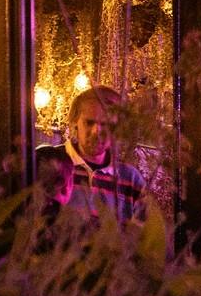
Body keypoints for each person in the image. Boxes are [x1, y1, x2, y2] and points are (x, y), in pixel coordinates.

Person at [51, 86, 144, 221]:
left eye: (106, 124)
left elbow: (147, 238)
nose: (96, 131)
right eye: (89, 122)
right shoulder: (52, 164)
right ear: (75, 122)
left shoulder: (131, 180)